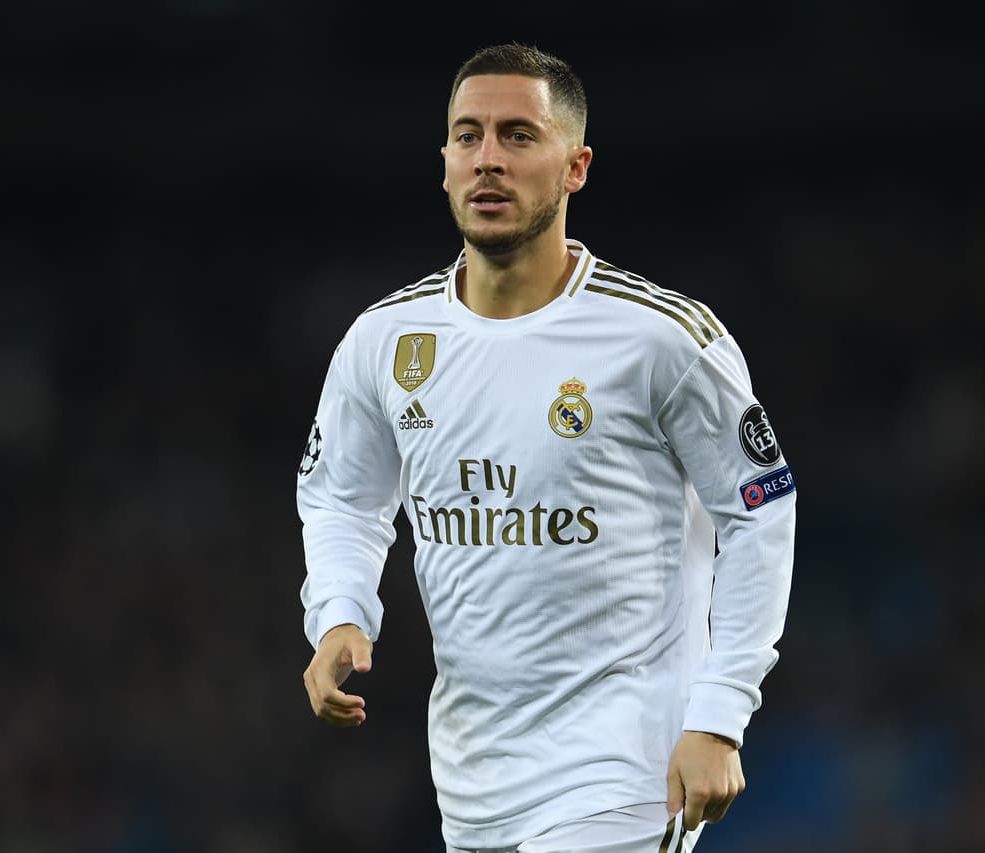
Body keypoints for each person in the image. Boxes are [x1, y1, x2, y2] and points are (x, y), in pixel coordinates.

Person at [297, 43, 796, 853]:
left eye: (519, 135)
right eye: (468, 136)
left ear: (576, 166)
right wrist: (341, 609)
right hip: (473, 775)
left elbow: (761, 511)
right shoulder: (385, 341)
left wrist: (720, 712)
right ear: (446, 163)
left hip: (626, 766)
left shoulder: (660, 339)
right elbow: (342, 494)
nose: (488, 158)